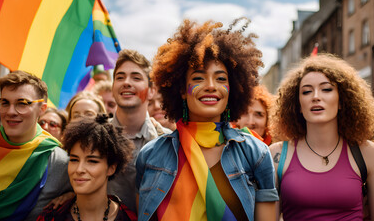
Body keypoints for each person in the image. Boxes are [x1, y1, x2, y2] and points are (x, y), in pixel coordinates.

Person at [136, 18, 278, 221]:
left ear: (233, 89)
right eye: (198, 78)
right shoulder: (150, 155)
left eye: (221, 78)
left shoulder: (256, 154)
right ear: (182, 90)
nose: (211, 86)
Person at [269, 54, 374, 220]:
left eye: (326, 89)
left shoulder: (367, 152)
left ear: (342, 101)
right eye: (306, 91)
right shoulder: (276, 156)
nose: (315, 97)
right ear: (298, 104)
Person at [0, 70, 71, 220]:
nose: (11, 112)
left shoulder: (59, 161)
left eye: (22, 103)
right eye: (5, 103)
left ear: (42, 109)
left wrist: (72, 195)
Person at [37, 114, 137, 221]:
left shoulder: (128, 218)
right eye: (74, 160)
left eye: (92, 161)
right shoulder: (51, 216)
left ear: (111, 168)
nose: (79, 169)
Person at [108, 49, 172, 212]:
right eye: (120, 77)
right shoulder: (92, 137)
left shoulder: (168, 142)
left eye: (136, 78)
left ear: (151, 91)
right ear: (113, 87)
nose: (126, 82)